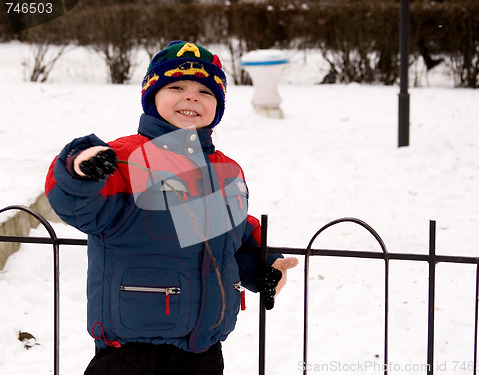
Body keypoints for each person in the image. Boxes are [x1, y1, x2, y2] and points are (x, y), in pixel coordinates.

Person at [45, 40, 298, 375]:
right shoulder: (127, 157)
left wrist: (261, 266)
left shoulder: (226, 171)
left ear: (217, 106)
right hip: (131, 350)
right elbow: (76, 204)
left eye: (205, 92)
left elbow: (226, 241)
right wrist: (80, 169)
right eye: (176, 86)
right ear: (153, 98)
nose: (191, 96)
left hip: (203, 348)